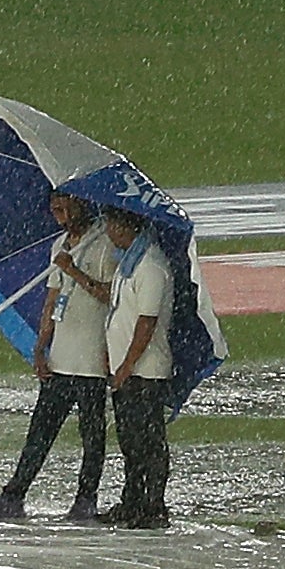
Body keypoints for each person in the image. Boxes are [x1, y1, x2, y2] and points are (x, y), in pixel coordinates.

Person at [0, 192, 120, 521]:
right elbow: (52, 300)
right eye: (56, 210)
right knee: (40, 431)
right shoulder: (60, 247)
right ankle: (14, 495)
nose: (61, 215)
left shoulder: (104, 245)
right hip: (61, 356)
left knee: (92, 434)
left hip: (92, 357)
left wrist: (74, 270)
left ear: (83, 205)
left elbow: (110, 296)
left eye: (66, 208)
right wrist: (41, 346)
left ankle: (85, 499)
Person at [101, 210, 180, 528]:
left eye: (110, 225)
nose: (107, 232)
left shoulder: (150, 267)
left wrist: (127, 364)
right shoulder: (129, 264)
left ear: (125, 227)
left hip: (145, 371)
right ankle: (132, 500)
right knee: (130, 440)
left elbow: (146, 322)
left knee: (149, 441)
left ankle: (153, 506)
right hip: (128, 370)